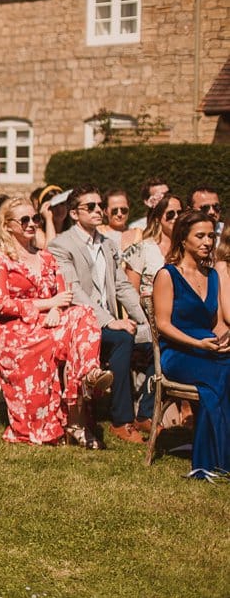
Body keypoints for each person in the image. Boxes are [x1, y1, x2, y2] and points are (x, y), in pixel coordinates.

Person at [0, 198, 111, 446]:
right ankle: (77, 416)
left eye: (35, 219)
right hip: (16, 332)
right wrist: (46, 305)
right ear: (8, 225)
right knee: (71, 331)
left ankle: (87, 379)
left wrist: (57, 309)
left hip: (50, 322)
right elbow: (2, 305)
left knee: (84, 312)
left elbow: (64, 295)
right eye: (25, 220)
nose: (32, 224)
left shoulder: (47, 257)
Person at [48, 185, 154, 443]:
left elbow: (121, 285)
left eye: (99, 206)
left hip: (109, 321)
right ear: (74, 214)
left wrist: (145, 320)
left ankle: (147, 412)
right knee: (122, 340)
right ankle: (121, 420)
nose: (98, 211)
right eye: (91, 207)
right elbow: (74, 292)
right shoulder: (61, 245)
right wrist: (110, 321)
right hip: (79, 323)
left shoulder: (107, 244)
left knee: (158, 341)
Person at [151, 209, 230, 479]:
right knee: (222, 374)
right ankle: (213, 461)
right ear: (183, 239)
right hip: (178, 352)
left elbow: (217, 322)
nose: (208, 241)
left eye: (211, 235)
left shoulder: (214, 276)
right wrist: (198, 342)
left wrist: (222, 339)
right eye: (200, 236)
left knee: (224, 370)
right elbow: (163, 325)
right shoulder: (168, 275)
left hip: (208, 349)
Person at [123, 193, 184, 297]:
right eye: (170, 214)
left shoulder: (187, 247)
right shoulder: (140, 250)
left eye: (180, 213)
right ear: (157, 218)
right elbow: (131, 296)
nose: (176, 217)